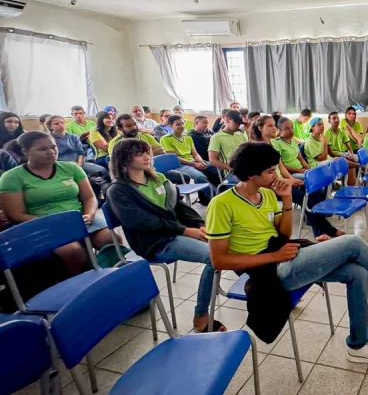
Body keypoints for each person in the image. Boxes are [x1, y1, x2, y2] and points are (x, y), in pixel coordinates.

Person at [206, 142, 368, 363]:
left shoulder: (266, 195)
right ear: (250, 174)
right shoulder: (222, 204)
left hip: (283, 255)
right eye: (269, 171)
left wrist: (286, 199)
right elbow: (219, 260)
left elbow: (283, 235)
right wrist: (273, 257)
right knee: (352, 243)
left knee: (357, 273)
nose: (276, 175)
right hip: (267, 272)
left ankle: (359, 345)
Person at [106, 139, 225, 332]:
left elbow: (179, 207)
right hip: (154, 241)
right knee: (215, 257)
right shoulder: (118, 190)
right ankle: (201, 315)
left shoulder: (158, 178)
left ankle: (255, 284)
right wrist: (185, 230)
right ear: (124, 160)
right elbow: (142, 223)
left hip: (174, 232)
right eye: (139, 154)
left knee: (224, 244)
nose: (147, 156)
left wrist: (199, 224)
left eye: (148, 152)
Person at [0, 131, 113, 274]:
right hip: (41, 224)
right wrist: (55, 223)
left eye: (53, 147)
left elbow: (89, 197)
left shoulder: (71, 168)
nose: (51, 152)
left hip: (79, 217)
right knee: (72, 251)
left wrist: (89, 214)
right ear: (25, 151)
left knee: (110, 239)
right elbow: (15, 214)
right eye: (43, 149)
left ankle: (110, 274)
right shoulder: (12, 177)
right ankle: (82, 283)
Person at [251, 114, 341, 240]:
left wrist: (290, 179)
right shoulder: (257, 147)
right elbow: (267, 175)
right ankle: (328, 231)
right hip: (270, 186)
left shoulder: (271, 144)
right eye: (270, 126)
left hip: (280, 181)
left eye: (274, 125)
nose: (274, 128)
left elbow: (280, 166)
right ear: (260, 128)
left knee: (313, 191)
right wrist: (287, 181)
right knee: (305, 197)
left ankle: (320, 231)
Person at [160, 115, 218, 204]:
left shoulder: (187, 137)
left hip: (193, 161)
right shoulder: (165, 139)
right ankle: (216, 199)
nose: (181, 126)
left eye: (182, 124)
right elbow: (173, 157)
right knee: (200, 177)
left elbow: (195, 153)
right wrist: (194, 164)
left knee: (218, 168)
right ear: (171, 126)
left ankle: (224, 193)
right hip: (181, 165)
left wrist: (201, 162)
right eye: (178, 124)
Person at [208, 110, 248, 175]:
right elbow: (212, 160)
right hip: (231, 172)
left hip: (246, 168)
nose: (238, 126)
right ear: (227, 120)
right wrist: (230, 168)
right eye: (236, 123)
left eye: (239, 124)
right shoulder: (217, 137)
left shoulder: (240, 134)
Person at [325, 112, 359, 185]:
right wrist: (343, 156)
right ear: (329, 121)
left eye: (337, 118)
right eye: (334, 118)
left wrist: (351, 154)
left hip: (342, 153)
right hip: (333, 156)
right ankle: (351, 187)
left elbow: (349, 147)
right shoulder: (327, 133)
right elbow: (331, 153)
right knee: (349, 163)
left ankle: (352, 185)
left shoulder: (342, 131)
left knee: (355, 158)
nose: (336, 120)